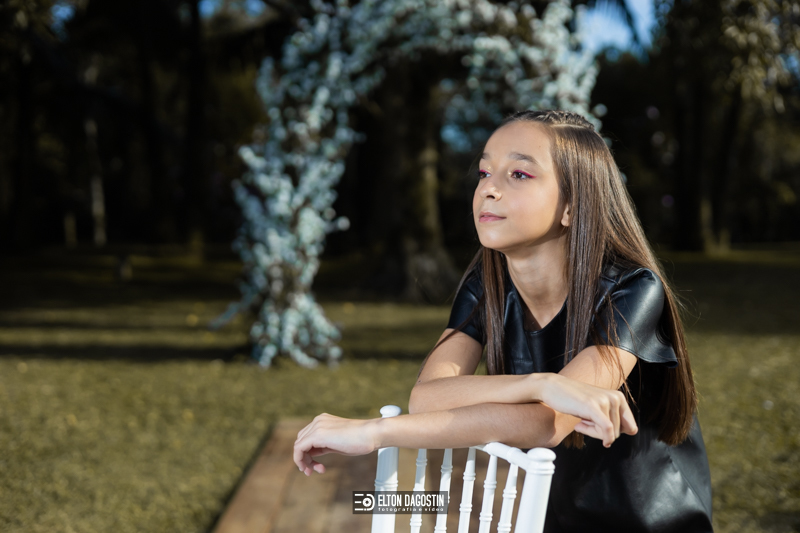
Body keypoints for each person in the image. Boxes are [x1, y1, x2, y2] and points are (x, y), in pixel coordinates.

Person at [293, 109, 713, 532]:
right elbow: (428, 397)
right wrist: (541, 385)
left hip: (646, 520)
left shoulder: (632, 289)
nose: (488, 189)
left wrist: (377, 433)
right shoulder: (487, 282)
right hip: (548, 513)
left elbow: (547, 423)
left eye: (519, 175)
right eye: (484, 172)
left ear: (571, 206)